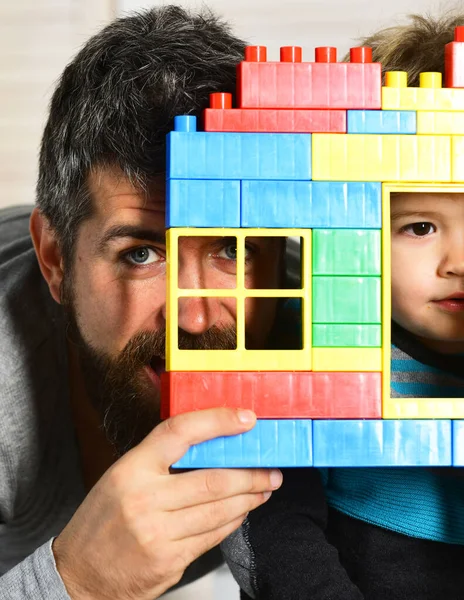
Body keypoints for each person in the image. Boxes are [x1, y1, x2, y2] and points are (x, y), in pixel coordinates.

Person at [221, 13, 464, 600]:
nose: (463, 261)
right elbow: (278, 530)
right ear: (355, 230)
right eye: (420, 226)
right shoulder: (320, 352)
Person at [0, 6, 289, 599]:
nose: (195, 316)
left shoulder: (340, 307)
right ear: (55, 261)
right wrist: (77, 582)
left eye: (232, 249)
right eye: (142, 255)